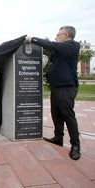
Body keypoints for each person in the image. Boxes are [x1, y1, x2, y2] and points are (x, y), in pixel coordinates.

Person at [25, 26, 81, 160]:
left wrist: (32, 39)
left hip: (66, 87)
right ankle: (58, 137)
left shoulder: (72, 45)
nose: (56, 37)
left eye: (58, 34)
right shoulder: (61, 48)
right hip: (56, 86)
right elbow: (51, 47)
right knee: (56, 113)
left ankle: (76, 146)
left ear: (66, 35)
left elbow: (51, 45)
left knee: (67, 114)